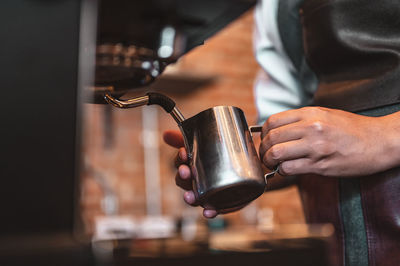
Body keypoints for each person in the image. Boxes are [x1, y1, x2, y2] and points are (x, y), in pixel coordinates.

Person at [164, 0, 400, 265]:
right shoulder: (274, 6)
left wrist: (384, 135)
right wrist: (238, 171)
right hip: (334, 238)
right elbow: (281, 127)